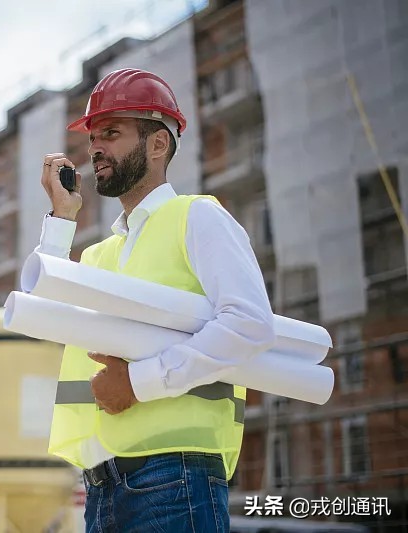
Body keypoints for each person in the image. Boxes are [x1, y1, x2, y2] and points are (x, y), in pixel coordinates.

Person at [36, 68, 275, 532]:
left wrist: (138, 383)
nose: (96, 149)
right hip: (101, 487)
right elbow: (41, 318)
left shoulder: (198, 217)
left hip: (175, 475)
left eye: (111, 133)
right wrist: (61, 219)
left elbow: (249, 324)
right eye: (92, 138)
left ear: (158, 144)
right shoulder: (100, 254)